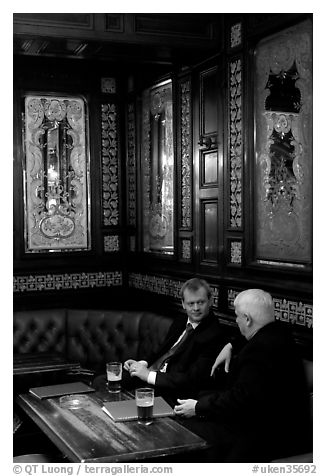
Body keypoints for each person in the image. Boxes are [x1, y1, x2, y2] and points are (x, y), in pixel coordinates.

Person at [174, 289, 311, 462]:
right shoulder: (280, 333)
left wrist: (198, 407)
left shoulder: (260, 351)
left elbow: (240, 400)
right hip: (274, 424)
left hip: (266, 437)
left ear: (247, 319)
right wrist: (230, 345)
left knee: (183, 432)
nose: (236, 321)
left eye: (237, 316)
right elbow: (252, 336)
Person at [94, 278, 226, 405]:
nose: (196, 308)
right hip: (151, 375)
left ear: (210, 301)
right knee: (101, 379)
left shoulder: (214, 334)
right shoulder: (181, 320)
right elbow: (162, 351)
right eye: (191, 303)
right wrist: (142, 363)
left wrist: (148, 376)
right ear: (183, 304)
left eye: (201, 302)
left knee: (122, 396)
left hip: (168, 388)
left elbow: (191, 379)